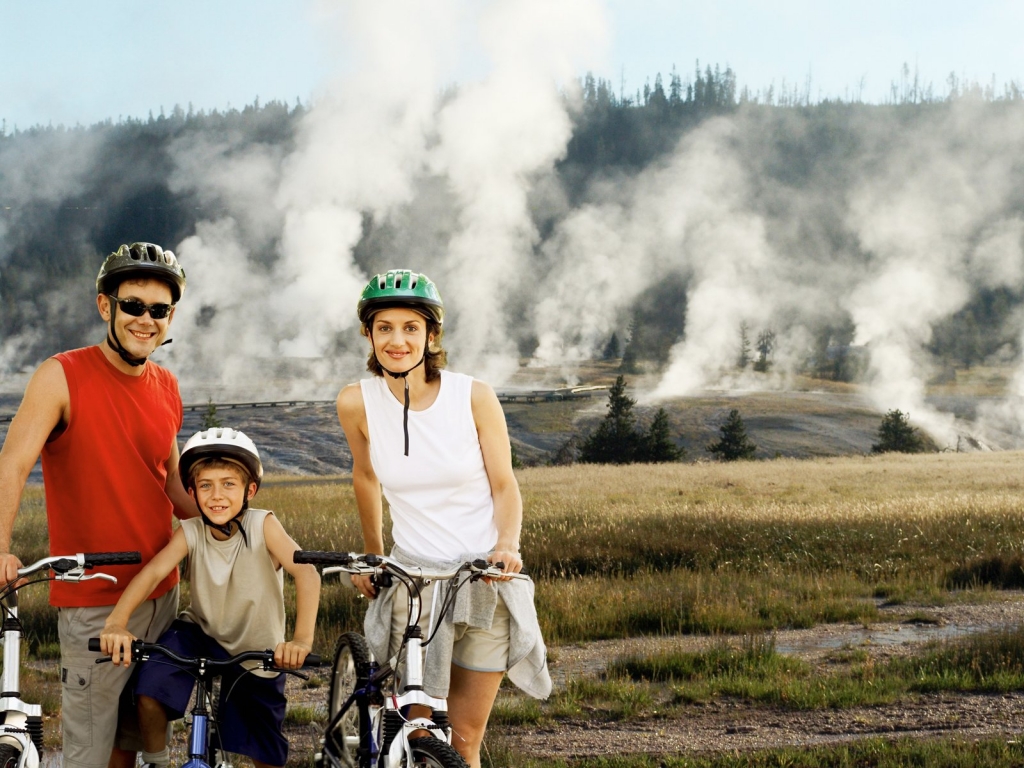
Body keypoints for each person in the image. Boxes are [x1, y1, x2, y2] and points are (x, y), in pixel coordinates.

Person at [336, 269, 551, 768]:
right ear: (368, 334)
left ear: (431, 335)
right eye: (384, 327)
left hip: (482, 578)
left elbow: (504, 484)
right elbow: (365, 477)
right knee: (415, 725)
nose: (397, 339)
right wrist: (373, 555)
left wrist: (508, 544)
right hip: (414, 583)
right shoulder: (356, 402)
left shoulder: (473, 396)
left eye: (411, 328)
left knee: (465, 740)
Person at [0, 242, 194, 768]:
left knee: (128, 742)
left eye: (158, 310)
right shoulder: (61, 375)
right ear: (105, 306)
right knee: (88, 748)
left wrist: (242, 530)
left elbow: (172, 484)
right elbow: (13, 463)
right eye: (133, 305)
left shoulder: (166, 385)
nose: (145, 320)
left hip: (160, 592)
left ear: (170, 316)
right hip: (94, 597)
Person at [100, 428, 321, 768]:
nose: (216, 495)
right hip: (200, 633)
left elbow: (306, 572)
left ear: (250, 490)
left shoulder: (264, 525)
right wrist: (116, 622)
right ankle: (157, 762)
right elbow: (153, 573)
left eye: (228, 484)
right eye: (205, 486)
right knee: (149, 688)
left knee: (265, 752)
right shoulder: (191, 531)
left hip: (257, 645)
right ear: (192, 492)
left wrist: (300, 641)